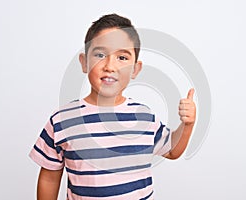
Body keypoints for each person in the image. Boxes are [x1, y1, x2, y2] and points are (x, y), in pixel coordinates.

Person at [29, 13, 196, 200]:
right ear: (84, 62)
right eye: (100, 55)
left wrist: (187, 125)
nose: (110, 66)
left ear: (135, 69)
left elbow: (172, 150)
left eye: (122, 58)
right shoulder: (62, 120)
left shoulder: (143, 117)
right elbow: (50, 177)